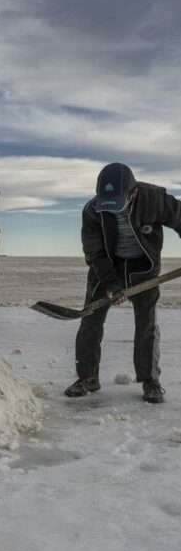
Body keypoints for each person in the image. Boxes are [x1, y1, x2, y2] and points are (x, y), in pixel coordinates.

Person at [65, 163, 181, 403]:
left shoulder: (154, 199)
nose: (114, 211)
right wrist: (110, 283)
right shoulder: (92, 211)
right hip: (107, 268)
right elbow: (94, 252)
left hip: (144, 270)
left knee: (146, 324)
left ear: (133, 192)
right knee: (90, 321)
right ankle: (87, 377)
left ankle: (150, 380)